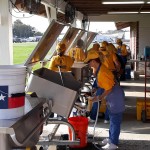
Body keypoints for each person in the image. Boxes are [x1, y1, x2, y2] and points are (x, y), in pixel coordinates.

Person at [84, 50, 125, 150]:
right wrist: (95, 89)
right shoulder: (100, 69)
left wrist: (99, 98)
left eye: (89, 62)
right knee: (112, 119)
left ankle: (114, 143)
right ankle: (111, 139)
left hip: (115, 96)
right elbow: (103, 82)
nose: (88, 64)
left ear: (94, 61)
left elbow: (109, 88)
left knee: (115, 120)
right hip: (112, 96)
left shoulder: (101, 71)